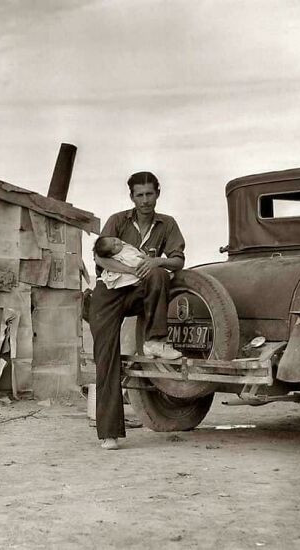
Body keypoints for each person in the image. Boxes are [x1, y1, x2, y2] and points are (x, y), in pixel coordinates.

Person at [89, 171, 185, 450]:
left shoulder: (167, 224)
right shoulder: (117, 221)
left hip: (138, 293)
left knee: (158, 274)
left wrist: (156, 263)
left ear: (158, 193)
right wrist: (132, 268)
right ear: (131, 197)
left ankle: (155, 341)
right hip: (107, 295)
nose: (145, 200)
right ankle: (109, 433)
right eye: (139, 195)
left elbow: (178, 260)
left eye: (149, 194)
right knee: (106, 359)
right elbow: (100, 258)